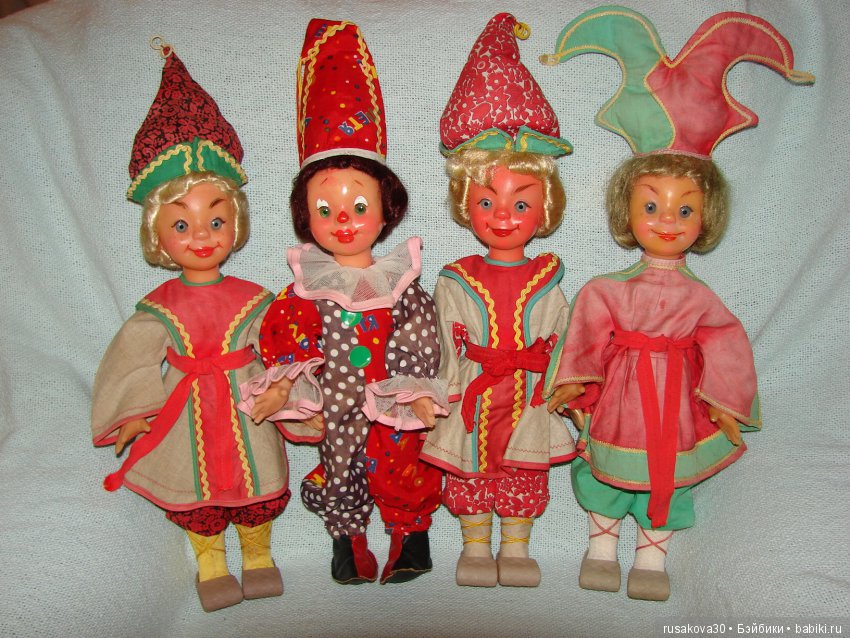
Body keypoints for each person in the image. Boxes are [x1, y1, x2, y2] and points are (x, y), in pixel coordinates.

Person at [542, 5, 814, 600]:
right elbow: (584, 335)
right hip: (621, 399)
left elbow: (725, 342)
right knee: (607, 473)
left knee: (670, 475)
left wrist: (725, 403)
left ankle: (652, 558)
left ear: (705, 215)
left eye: (684, 208)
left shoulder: (700, 297)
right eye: (652, 205)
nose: (667, 220)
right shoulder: (606, 289)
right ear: (627, 210)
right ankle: (601, 547)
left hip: (677, 401)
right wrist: (574, 384)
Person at [238, 19, 446, 585]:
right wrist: (286, 386)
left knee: (402, 463)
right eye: (325, 210)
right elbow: (286, 337)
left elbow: (419, 334)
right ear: (306, 217)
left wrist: (414, 391)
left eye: (359, 206)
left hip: (390, 402)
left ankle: (412, 538)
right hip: (335, 404)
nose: (344, 221)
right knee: (340, 464)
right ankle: (347, 542)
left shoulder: (399, 283)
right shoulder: (304, 288)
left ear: (386, 210)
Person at [92, 41, 287, 612]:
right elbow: (132, 359)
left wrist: (286, 391)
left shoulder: (256, 299)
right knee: (198, 495)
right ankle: (211, 563)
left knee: (255, 485)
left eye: (215, 220)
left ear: (235, 224)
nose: (201, 236)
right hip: (186, 413)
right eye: (182, 224)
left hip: (246, 408)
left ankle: (258, 555)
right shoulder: (160, 306)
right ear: (158, 234)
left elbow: (283, 349)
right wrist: (134, 413)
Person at [420, 13, 575, 588]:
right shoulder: (455, 278)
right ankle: (475, 545)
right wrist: (440, 393)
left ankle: (516, 545)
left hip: (530, 397)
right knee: (470, 471)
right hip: (474, 392)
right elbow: (443, 345)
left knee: (524, 470)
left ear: (545, 207)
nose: (503, 215)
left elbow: (564, 338)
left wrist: (564, 388)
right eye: (487, 202)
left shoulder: (548, 278)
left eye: (520, 202)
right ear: (466, 204)